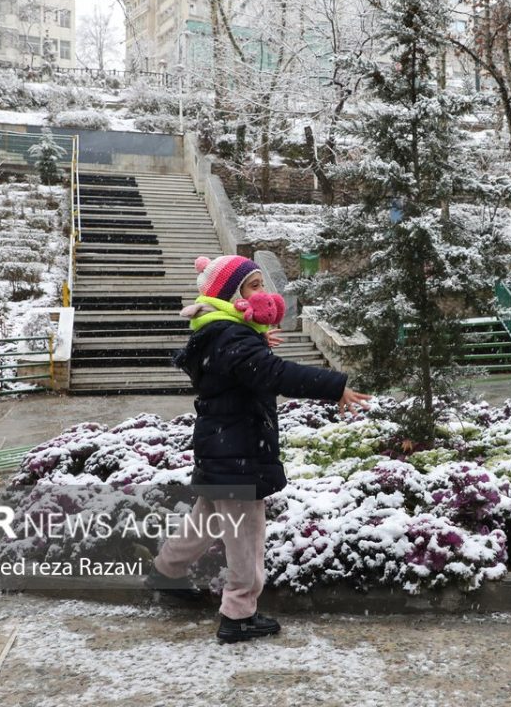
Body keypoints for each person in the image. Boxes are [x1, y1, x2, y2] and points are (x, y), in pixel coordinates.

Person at [145, 254, 371, 643]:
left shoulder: (220, 332)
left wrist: (254, 340)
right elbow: (275, 374)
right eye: (253, 286)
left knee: (208, 519)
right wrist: (333, 386)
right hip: (239, 451)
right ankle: (237, 614)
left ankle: (165, 572)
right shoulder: (233, 338)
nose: (263, 293)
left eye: (261, 284)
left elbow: (235, 365)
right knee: (247, 535)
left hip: (221, 446)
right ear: (232, 295)